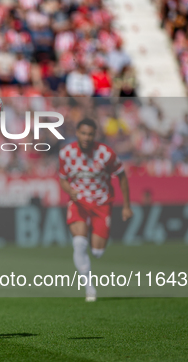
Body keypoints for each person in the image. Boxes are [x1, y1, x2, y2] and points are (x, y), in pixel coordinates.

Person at [58, 118, 132, 301]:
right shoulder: (66, 153)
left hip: (101, 203)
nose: (86, 137)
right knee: (79, 243)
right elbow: (63, 179)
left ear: (95, 135)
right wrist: (70, 191)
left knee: (97, 252)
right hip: (79, 202)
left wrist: (126, 206)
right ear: (77, 133)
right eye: (83, 133)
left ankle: (96, 231)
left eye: (90, 134)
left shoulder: (105, 154)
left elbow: (122, 176)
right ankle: (89, 288)